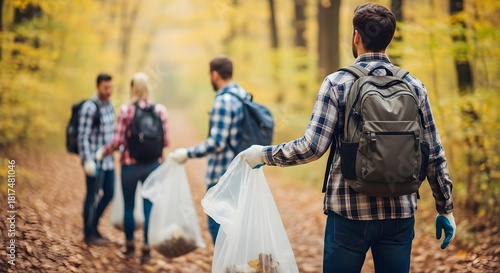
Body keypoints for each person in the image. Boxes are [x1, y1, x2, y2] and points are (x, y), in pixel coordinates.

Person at [240, 3, 456, 273]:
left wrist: (263, 154)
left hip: (348, 212)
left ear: (356, 36)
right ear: (390, 38)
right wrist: (445, 208)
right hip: (400, 212)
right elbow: (434, 152)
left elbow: (311, 148)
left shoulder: (337, 83)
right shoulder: (414, 86)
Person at [170, 56, 252, 243]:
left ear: (215, 74)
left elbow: (217, 142)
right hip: (241, 172)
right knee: (234, 226)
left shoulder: (223, 100)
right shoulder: (243, 95)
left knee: (218, 227)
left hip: (221, 175)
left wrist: (187, 153)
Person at [97, 72, 169, 264]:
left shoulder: (126, 110)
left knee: (129, 206)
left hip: (130, 166)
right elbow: (166, 141)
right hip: (154, 165)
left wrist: (103, 152)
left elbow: (118, 141)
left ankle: (129, 247)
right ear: (148, 88)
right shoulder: (160, 110)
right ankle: (146, 249)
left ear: (132, 89)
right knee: (148, 208)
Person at [78, 73, 115, 245]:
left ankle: (94, 227)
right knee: (92, 196)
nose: (108, 91)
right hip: (94, 162)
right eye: (105, 88)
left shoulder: (110, 105)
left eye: (111, 87)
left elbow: (111, 133)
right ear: (98, 87)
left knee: (109, 193)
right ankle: (88, 234)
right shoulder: (89, 107)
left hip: (108, 162)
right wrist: (87, 160)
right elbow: (82, 136)